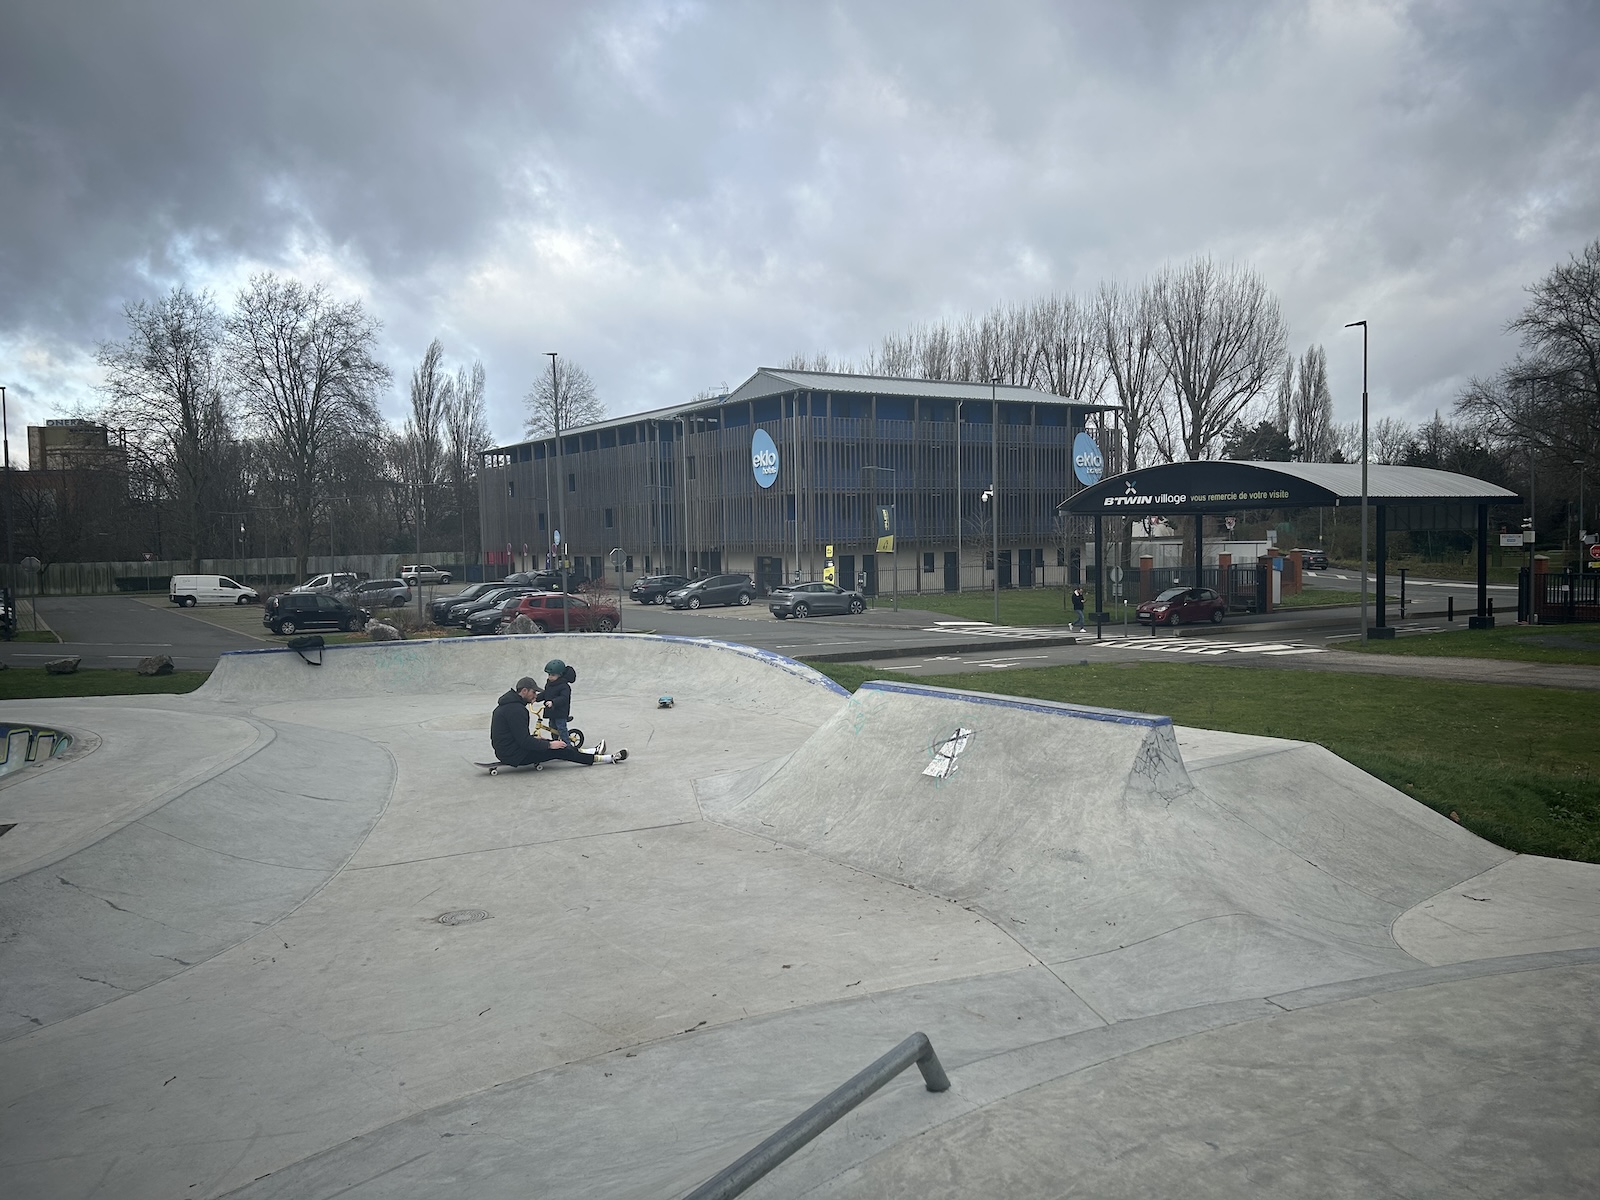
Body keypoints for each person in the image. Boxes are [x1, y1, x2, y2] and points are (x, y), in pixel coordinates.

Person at [489, 676, 627, 767]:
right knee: (559, 749)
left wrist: (540, 741)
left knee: (556, 745)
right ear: (524, 691)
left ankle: (591, 751)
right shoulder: (517, 710)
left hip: (507, 750)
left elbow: (517, 737)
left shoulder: (508, 706)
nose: (535, 696)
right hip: (514, 755)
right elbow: (524, 742)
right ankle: (608, 758)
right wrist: (549, 745)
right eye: (533, 692)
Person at [535, 658, 576, 743]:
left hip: (560, 712)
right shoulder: (550, 684)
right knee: (552, 728)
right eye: (549, 674)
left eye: (553, 675)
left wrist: (553, 702)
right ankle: (556, 742)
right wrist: (535, 698)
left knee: (561, 728)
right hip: (552, 712)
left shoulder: (564, 686)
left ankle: (567, 745)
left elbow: (564, 698)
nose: (550, 677)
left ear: (560, 675)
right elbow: (546, 693)